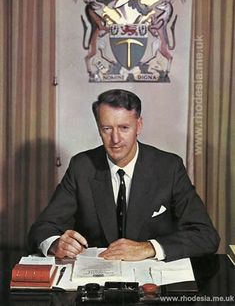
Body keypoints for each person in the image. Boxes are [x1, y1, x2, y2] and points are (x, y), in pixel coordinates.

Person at [28, 89, 220, 262]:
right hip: (96, 286)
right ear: (98, 128)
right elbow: (42, 228)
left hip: (153, 288)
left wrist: (149, 248)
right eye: (107, 129)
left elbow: (206, 236)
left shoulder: (169, 167)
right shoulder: (82, 167)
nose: (115, 139)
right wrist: (55, 244)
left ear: (139, 125)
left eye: (124, 128)